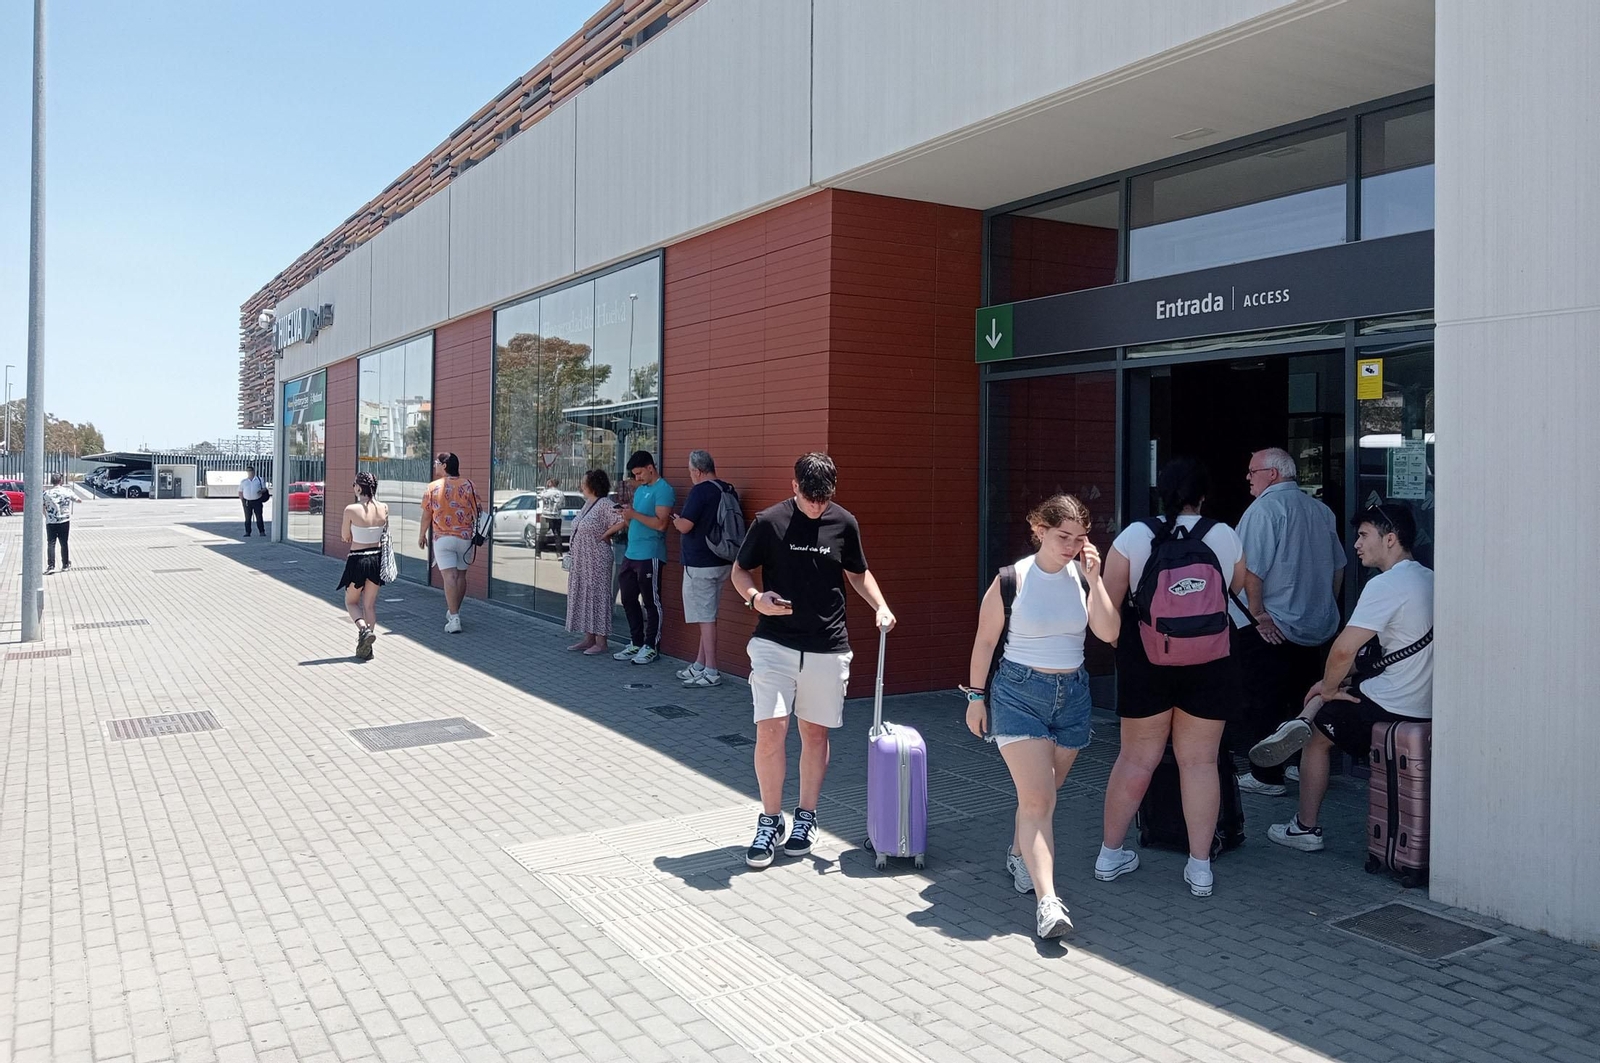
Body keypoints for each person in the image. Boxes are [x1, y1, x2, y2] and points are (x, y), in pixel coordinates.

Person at [963, 495, 1119, 939]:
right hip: (1018, 693)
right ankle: (1048, 902)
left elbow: (1109, 633)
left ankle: (1018, 853)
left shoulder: (1083, 577)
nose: (1070, 546)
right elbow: (984, 641)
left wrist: (1097, 578)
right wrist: (976, 697)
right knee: (1038, 801)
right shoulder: (1012, 579)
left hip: (1073, 696)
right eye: (1061, 536)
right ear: (1039, 529)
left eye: (1078, 538)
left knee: (1043, 797)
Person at [731, 453, 895, 869]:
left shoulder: (845, 522)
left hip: (827, 645)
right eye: (809, 500)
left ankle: (806, 815)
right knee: (770, 730)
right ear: (794, 486)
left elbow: (857, 573)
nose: (816, 508)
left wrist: (880, 605)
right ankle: (769, 820)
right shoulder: (769, 522)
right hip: (774, 644)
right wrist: (755, 599)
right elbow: (740, 571)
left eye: (823, 501)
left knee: (814, 735)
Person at [1095, 458, 1247, 898]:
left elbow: (1109, 603)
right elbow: (1233, 591)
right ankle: (1200, 867)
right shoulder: (1223, 534)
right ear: (1203, 495)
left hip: (1147, 659)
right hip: (1212, 660)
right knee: (1199, 762)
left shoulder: (1133, 536)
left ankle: (1110, 854)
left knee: (1135, 759)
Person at [1253, 505, 1434, 852]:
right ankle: (1304, 717)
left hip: (1394, 703)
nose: (1356, 545)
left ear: (1391, 538)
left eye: (1364, 535)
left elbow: (1342, 650)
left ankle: (1305, 827)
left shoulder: (1386, 585)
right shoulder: (1428, 578)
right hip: (1423, 700)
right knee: (1329, 694)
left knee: (1318, 733)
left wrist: (1331, 687)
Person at [1226, 448, 1346, 797]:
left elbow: (1252, 570)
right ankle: (1296, 765)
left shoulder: (1264, 509)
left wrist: (1258, 614)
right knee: (1301, 696)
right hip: (1314, 624)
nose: (1248, 478)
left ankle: (1267, 776)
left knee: (1264, 697)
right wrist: (1326, 605)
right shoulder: (1321, 510)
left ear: (1273, 474)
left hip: (1273, 624)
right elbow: (1339, 566)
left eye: (1252, 471)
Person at [671, 449, 735, 687]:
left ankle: (711, 670)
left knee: (706, 618)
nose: (690, 476)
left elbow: (686, 526)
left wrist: (676, 522)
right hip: (722, 561)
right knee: (706, 615)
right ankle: (699, 664)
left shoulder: (699, 491)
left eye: (690, 472)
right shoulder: (727, 489)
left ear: (697, 471)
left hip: (700, 564)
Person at [613, 450, 673, 665]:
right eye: (634, 475)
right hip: (632, 551)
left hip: (651, 553)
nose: (636, 478)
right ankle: (636, 642)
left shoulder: (663, 490)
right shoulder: (640, 491)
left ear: (650, 468)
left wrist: (633, 514)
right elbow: (634, 521)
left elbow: (661, 524)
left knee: (650, 601)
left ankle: (651, 646)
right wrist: (626, 515)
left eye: (639, 473)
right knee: (628, 598)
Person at [419, 452, 483, 634]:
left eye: (436, 463)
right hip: (465, 537)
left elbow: (426, 515)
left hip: (442, 538)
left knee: (449, 577)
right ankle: (454, 612)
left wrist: (421, 534)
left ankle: (454, 617)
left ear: (444, 465)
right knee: (461, 576)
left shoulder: (432, 487)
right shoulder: (469, 485)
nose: (435, 466)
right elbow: (478, 510)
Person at [564, 469, 622, 655]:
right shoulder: (588, 503)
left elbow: (622, 519)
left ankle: (601, 641)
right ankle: (589, 638)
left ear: (593, 484)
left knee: (597, 595)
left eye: (584, 482)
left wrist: (606, 534)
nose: (581, 485)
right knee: (585, 594)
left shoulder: (604, 503)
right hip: (583, 559)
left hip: (596, 557)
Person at [338, 473, 390, 660]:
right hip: (376, 559)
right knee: (369, 605)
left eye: (354, 485)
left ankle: (363, 630)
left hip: (357, 559)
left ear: (359, 488)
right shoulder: (384, 508)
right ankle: (368, 646)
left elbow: (345, 536)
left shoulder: (351, 509)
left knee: (351, 601)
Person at [44, 473, 75, 574]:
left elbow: (42, 505)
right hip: (64, 520)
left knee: (51, 543)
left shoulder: (46, 493)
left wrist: (46, 515)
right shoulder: (67, 491)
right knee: (64, 542)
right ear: (60, 481)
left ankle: (51, 565)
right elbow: (78, 500)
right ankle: (65, 564)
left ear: (51, 481)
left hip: (51, 521)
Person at [536, 477, 564, 559]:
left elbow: (538, 498)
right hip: (556, 516)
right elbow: (562, 505)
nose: (547, 483)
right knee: (557, 535)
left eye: (548, 482)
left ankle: (538, 553)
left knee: (542, 535)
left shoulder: (545, 492)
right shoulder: (560, 493)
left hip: (546, 516)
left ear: (551, 483)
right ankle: (559, 554)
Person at [239, 466, 267, 537]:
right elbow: (240, 491)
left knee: (259, 516)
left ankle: (261, 531)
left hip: (257, 501)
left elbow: (264, 489)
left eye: (251, 471)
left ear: (254, 471)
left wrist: (261, 491)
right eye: (248, 471)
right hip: (247, 501)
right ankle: (247, 532)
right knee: (247, 517)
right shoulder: (243, 481)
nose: (250, 472)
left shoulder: (259, 479)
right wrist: (242, 500)